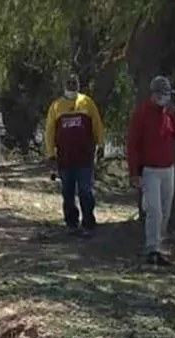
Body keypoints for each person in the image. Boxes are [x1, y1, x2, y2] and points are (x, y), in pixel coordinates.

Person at [127, 75, 175, 266]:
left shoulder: (168, 114)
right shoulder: (142, 112)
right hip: (150, 171)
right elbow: (132, 144)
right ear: (154, 94)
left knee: (165, 211)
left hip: (167, 170)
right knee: (154, 211)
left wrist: (174, 116)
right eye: (163, 94)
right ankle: (151, 248)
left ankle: (159, 248)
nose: (165, 98)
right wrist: (134, 173)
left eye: (168, 95)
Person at [45, 74, 106, 236]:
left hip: (85, 157)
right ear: (64, 85)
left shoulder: (87, 102)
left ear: (78, 85)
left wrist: (101, 144)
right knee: (68, 192)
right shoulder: (56, 106)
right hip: (65, 159)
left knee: (85, 190)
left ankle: (88, 223)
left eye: (74, 83)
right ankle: (71, 224)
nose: (72, 85)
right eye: (69, 82)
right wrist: (51, 154)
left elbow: (97, 124)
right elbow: (49, 132)